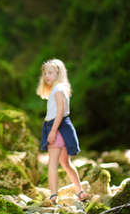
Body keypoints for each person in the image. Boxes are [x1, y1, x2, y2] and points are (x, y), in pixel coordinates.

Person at [36, 59, 90, 205]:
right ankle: (80, 191)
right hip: (62, 128)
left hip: (57, 127)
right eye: (45, 73)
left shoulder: (58, 89)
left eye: (50, 73)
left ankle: (53, 195)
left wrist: (52, 131)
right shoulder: (60, 89)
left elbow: (60, 112)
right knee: (65, 163)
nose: (47, 76)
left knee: (52, 164)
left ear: (58, 73)